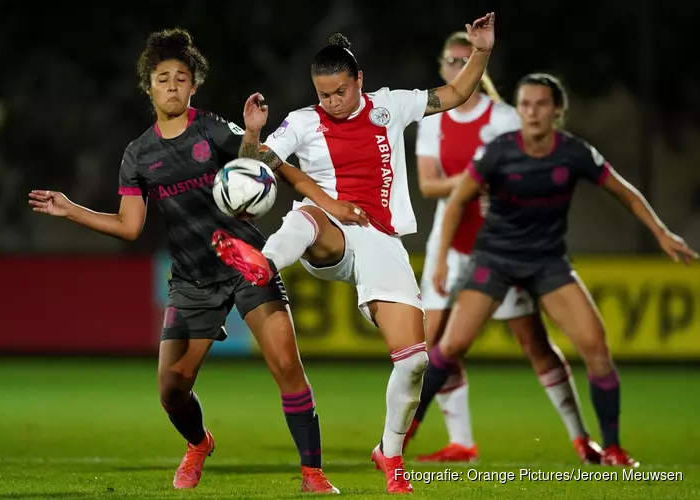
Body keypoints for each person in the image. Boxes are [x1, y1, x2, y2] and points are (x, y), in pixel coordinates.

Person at [28, 28, 342, 494]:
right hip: (192, 279)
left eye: (181, 78)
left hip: (246, 264)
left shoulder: (211, 127)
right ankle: (199, 444)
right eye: (162, 78)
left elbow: (256, 164)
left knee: (286, 367)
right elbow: (130, 225)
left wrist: (253, 131)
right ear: (149, 87)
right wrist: (71, 208)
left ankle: (314, 474)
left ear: (193, 85)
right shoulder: (137, 155)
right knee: (171, 390)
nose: (172, 85)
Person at [210, 13, 497, 494]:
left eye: (339, 91)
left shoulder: (391, 107)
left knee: (414, 362)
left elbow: (455, 94)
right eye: (323, 94)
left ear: (359, 80)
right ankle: (262, 263)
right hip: (327, 233)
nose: (331, 101)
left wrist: (482, 51)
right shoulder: (303, 122)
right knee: (305, 217)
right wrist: (254, 134)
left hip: (381, 240)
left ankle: (389, 453)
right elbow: (260, 165)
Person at [421, 72, 699, 467]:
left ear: (557, 111)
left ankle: (613, 448)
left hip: (547, 263)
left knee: (596, 347)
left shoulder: (573, 153)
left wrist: (661, 232)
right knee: (448, 348)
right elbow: (456, 203)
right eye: (525, 104)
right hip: (495, 260)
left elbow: (625, 192)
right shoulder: (499, 150)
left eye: (540, 104)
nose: (532, 111)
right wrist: (441, 260)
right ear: (519, 110)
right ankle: (398, 437)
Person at [405, 33, 600, 465]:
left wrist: (497, 180)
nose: (457, 68)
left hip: (503, 245)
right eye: (450, 61)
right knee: (433, 344)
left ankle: (581, 437)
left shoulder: (505, 118)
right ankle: (461, 442)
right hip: (450, 243)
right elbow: (427, 185)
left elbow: (532, 167)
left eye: (465, 60)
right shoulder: (432, 121)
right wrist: (480, 176)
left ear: (478, 66)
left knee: (533, 342)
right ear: (441, 68)